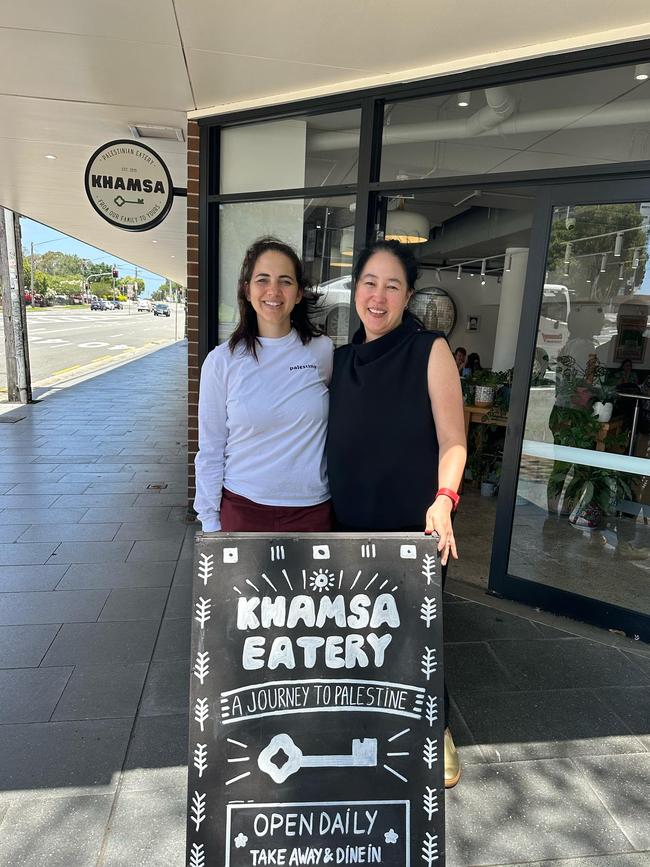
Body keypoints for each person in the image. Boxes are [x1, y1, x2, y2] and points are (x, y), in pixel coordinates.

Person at [327, 239, 467, 788]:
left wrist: (445, 499)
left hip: (415, 524)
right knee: (356, 634)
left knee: (415, 634)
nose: (378, 296)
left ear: (408, 296)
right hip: (347, 520)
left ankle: (437, 729)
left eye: (392, 286)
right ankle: (371, 725)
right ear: (355, 289)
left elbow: (454, 441)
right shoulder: (338, 360)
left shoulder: (429, 349)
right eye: (369, 283)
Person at [194, 237, 334, 532]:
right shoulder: (222, 362)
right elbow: (210, 449)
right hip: (243, 509)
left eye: (285, 281)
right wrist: (209, 521)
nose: (274, 291)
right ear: (247, 290)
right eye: (262, 280)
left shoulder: (322, 351)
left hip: (311, 511)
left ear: (298, 294)